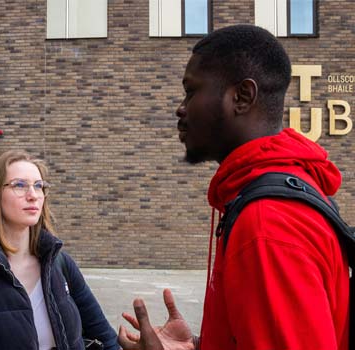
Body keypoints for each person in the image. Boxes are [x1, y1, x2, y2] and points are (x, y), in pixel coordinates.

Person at [118, 25, 349, 350]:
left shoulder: (267, 225)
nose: (180, 108)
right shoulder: (279, 188)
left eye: (191, 91)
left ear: (241, 97)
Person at [0, 150, 118, 350]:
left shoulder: (59, 264)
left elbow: (106, 338)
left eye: (39, 186)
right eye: (19, 185)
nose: (33, 195)